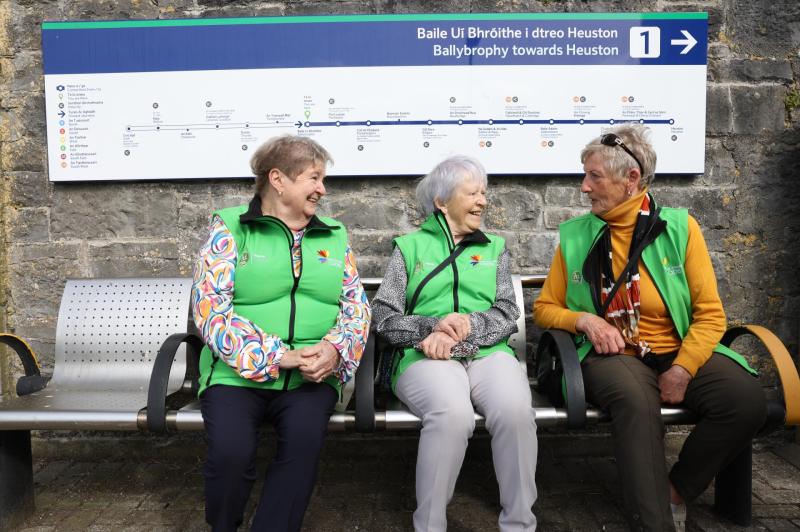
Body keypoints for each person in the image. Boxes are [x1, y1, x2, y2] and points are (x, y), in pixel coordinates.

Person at [534, 125, 766, 531]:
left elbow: (710, 313)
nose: (584, 187)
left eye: (594, 177)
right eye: (584, 175)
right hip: (612, 354)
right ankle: (653, 522)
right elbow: (546, 308)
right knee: (637, 405)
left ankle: (675, 491)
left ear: (631, 180)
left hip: (676, 347)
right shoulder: (575, 235)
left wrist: (685, 367)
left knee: (744, 399)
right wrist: (584, 320)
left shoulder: (679, 228)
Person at [191, 135, 371, 531]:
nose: (322, 189)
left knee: (302, 449)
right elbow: (210, 311)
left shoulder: (334, 235)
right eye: (314, 178)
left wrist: (334, 350)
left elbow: (357, 308)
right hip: (235, 376)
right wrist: (277, 356)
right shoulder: (231, 229)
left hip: (312, 378)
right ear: (278, 179)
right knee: (231, 455)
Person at [372, 155, 538, 532]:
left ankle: (519, 524)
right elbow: (382, 314)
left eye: (484, 192)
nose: (482, 201)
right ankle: (429, 526)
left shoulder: (495, 248)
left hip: (488, 353)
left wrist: (464, 329)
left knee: (514, 411)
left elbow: (507, 310)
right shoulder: (409, 248)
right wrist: (431, 328)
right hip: (422, 356)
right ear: (442, 202)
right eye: (472, 193)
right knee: (452, 414)